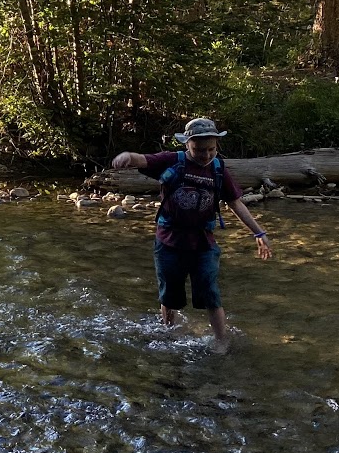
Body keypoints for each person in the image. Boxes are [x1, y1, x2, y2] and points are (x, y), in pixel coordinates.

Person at [111, 117, 273, 354]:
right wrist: (128, 155)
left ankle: (221, 340)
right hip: (169, 241)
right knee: (169, 295)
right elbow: (144, 159)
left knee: (210, 293)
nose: (206, 155)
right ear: (187, 144)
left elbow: (235, 203)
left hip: (203, 244)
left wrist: (258, 231)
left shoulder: (218, 169)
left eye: (211, 149)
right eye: (199, 150)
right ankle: (170, 332)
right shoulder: (172, 161)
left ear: (216, 145)